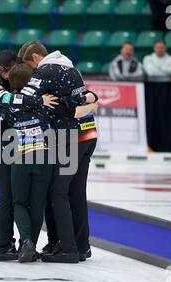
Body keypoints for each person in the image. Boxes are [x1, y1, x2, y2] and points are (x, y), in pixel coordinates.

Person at [18, 41, 99, 263]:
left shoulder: (44, 71)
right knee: (76, 192)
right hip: (86, 133)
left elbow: (24, 99)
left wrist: (37, 101)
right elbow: (84, 99)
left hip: (67, 136)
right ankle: (81, 246)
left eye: (30, 66)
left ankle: (68, 249)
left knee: (57, 191)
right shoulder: (71, 68)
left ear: (36, 58)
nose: (32, 72)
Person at [0, 50, 59, 262]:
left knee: (14, 197)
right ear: (2, 70)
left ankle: (19, 243)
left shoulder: (5, 82)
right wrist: (38, 101)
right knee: (8, 197)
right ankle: (1, 246)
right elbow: (9, 100)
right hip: (1, 147)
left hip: (11, 146)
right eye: (11, 71)